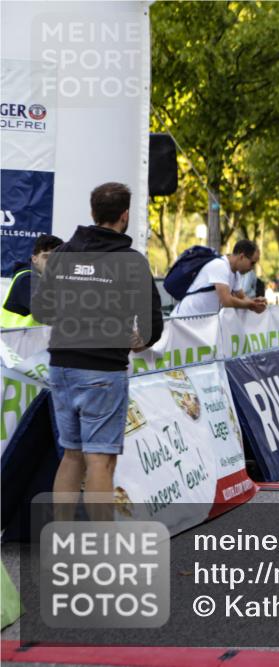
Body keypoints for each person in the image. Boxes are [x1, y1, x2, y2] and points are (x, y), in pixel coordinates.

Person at [31, 183, 163, 520]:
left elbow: (42, 311)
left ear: (92, 213)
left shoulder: (62, 255)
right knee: (99, 459)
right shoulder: (132, 262)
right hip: (103, 370)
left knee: (72, 455)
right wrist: (140, 339)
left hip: (62, 366)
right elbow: (152, 325)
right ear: (124, 216)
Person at [172, 240, 266, 316]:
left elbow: (242, 297)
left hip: (199, 322)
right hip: (184, 320)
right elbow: (226, 301)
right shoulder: (220, 266)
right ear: (242, 257)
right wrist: (251, 305)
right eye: (252, 263)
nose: (252, 268)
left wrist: (256, 302)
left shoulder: (235, 273)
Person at [0, 233, 63, 328]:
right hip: (12, 340)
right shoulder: (26, 279)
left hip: (24, 339)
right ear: (34, 259)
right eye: (46, 257)